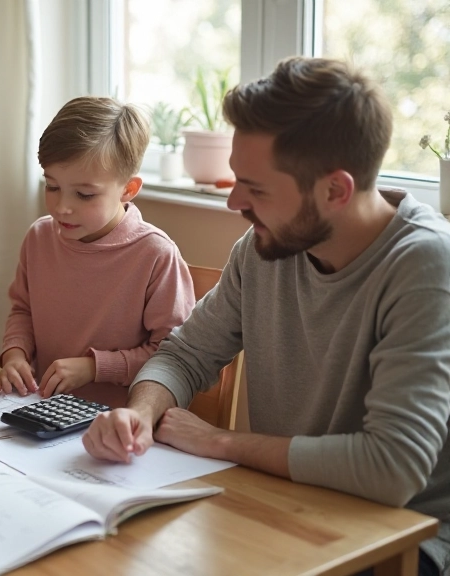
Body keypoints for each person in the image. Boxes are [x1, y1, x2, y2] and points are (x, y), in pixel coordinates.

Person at [82, 57, 450, 575]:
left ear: (335, 190)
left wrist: (218, 442)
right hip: (286, 503)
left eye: (255, 188)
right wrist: (140, 414)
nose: (235, 202)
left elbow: (392, 467)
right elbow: (184, 356)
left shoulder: (424, 264)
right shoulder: (261, 250)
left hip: (400, 539)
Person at [0, 96, 195, 398]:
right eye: (52, 186)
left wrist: (95, 367)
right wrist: (15, 355)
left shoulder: (155, 254)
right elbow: (23, 311)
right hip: (41, 413)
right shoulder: (39, 238)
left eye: (84, 195)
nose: (62, 207)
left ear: (128, 190)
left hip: (118, 426)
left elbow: (175, 358)